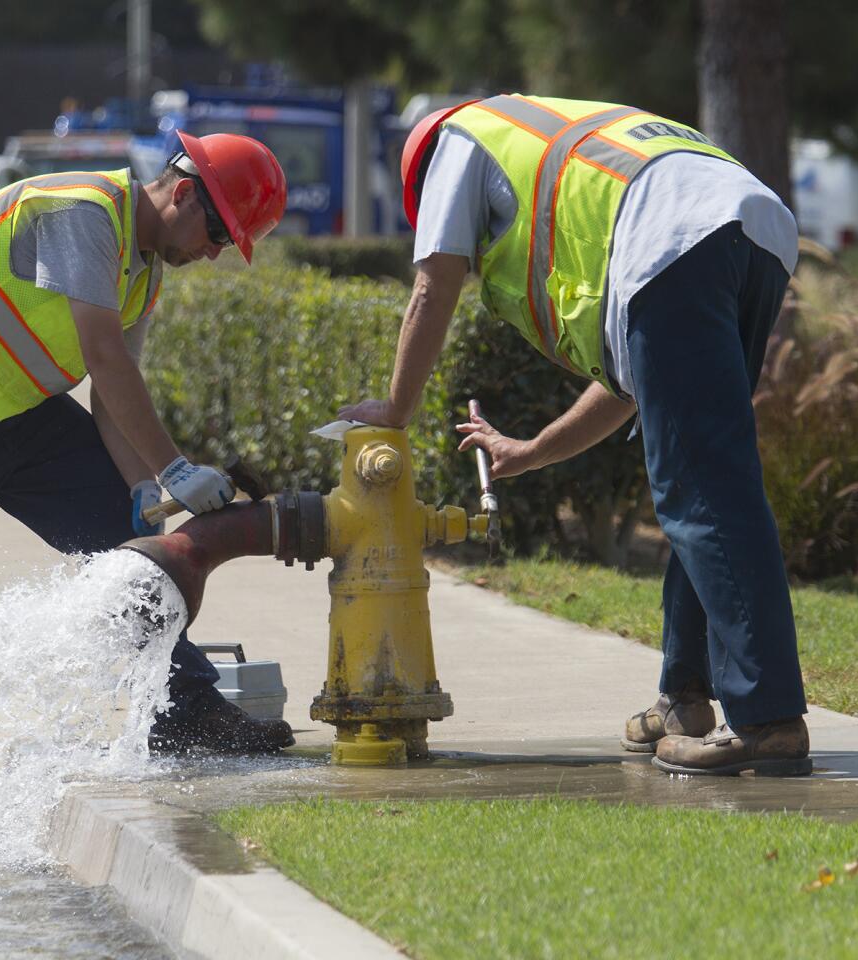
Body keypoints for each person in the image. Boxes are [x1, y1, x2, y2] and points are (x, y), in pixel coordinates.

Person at [339, 94, 810, 777]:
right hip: (755, 227)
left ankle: (768, 719)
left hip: (683, 235)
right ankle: (686, 697)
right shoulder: (568, 147)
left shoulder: (458, 139)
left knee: (703, 491)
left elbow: (431, 285)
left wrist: (394, 408)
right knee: (704, 478)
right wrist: (529, 452)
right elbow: (634, 387)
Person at [0, 132, 294, 807]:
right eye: (218, 233)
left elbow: (112, 393)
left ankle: (182, 709)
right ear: (184, 192)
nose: (213, 253)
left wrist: (141, 488)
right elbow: (102, 356)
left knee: (133, 550)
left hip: (17, 412)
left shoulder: (145, 269)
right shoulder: (82, 214)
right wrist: (174, 467)